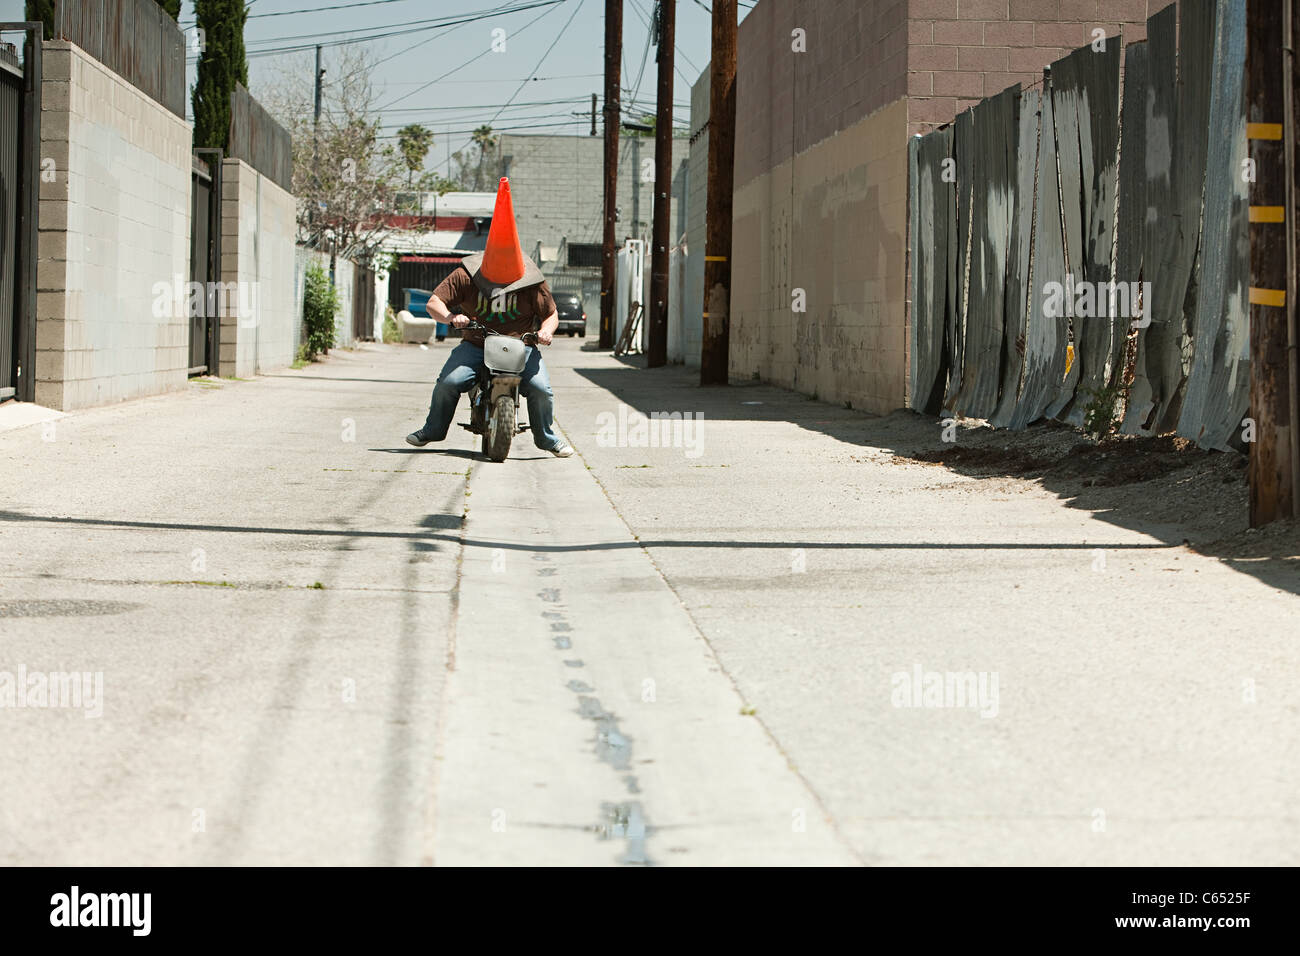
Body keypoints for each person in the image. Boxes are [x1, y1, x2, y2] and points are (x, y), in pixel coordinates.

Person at [405, 177, 573, 457]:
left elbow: (551, 315)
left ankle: (546, 439)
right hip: (476, 344)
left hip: (522, 346)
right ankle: (433, 430)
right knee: (448, 383)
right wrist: (450, 317)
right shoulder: (466, 274)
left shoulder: (532, 281)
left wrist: (546, 331)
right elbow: (434, 303)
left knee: (541, 390)